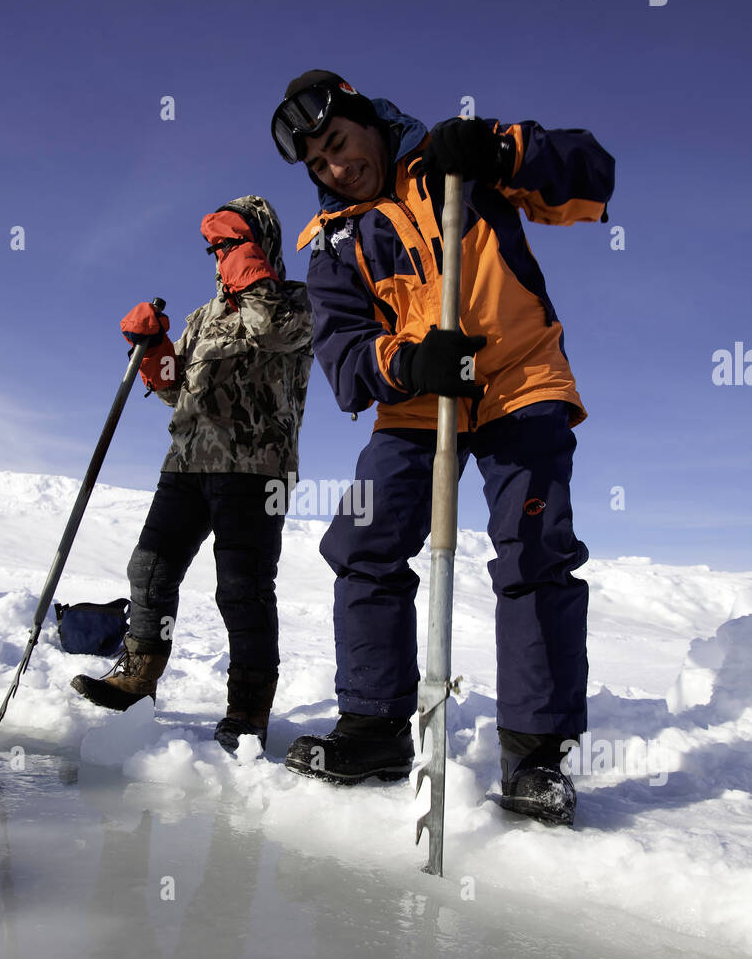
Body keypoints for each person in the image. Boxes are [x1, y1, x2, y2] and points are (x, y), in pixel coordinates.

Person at [270, 71, 615, 825]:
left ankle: (535, 756)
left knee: (533, 546)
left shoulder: (452, 161)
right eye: (318, 163)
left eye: (337, 143)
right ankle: (376, 727)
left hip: (521, 381)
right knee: (364, 540)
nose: (335, 166)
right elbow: (345, 361)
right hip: (420, 398)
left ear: (364, 118)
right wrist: (410, 363)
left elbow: (594, 177)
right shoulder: (332, 243)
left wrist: (502, 152)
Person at [71, 196, 313, 753]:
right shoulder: (204, 315)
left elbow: (272, 332)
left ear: (260, 244)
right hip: (186, 463)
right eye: (217, 248)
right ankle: (137, 678)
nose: (220, 257)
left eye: (232, 244)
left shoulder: (295, 301)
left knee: (243, 590)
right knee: (149, 569)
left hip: (257, 471)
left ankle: (247, 710)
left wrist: (251, 271)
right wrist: (155, 350)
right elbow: (176, 389)